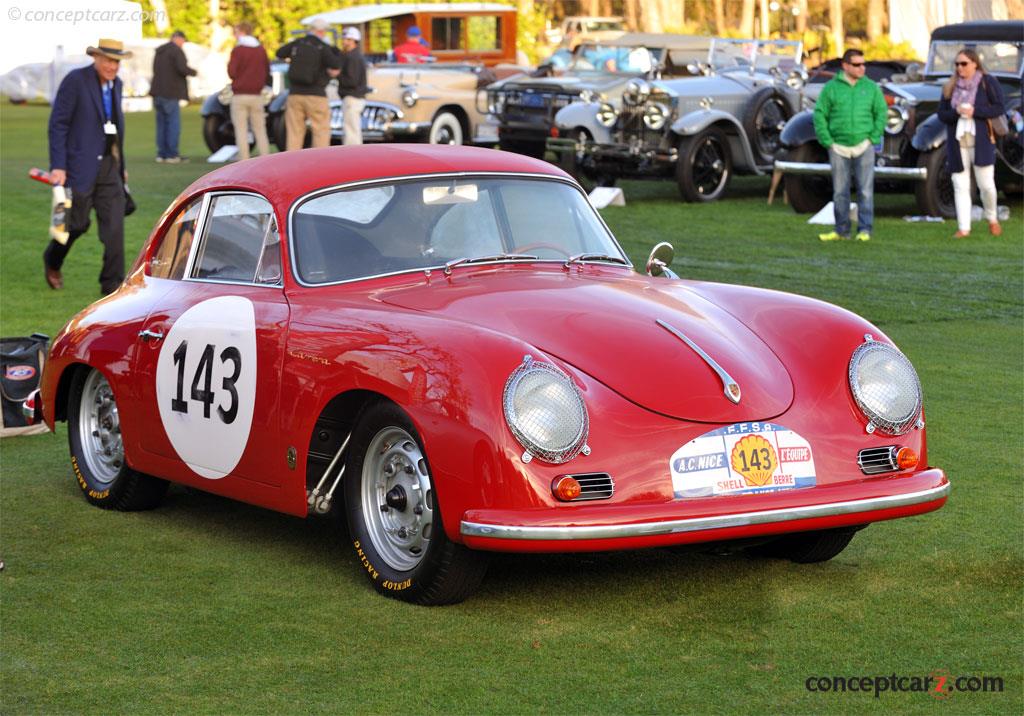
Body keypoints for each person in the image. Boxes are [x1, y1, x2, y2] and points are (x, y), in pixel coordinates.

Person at [45, 38, 130, 294]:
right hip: (78, 167)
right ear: (96, 58)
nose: (112, 66)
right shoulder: (75, 81)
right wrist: (58, 165)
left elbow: (114, 128)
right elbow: (58, 124)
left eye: (116, 61)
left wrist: (120, 164)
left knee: (115, 229)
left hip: (109, 168)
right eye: (108, 60)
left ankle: (112, 287)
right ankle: (52, 259)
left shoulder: (117, 85)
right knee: (75, 224)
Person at [812, 48, 887, 242]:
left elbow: (881, 113)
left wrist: (872, 138)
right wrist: (827, 141)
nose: (862, 68)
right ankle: (841, 231)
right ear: (845, 66)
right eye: (857, 64)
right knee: (840, 191)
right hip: (838, 147)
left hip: (864, 146)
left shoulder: (871, 87)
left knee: (865, 190)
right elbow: (819, 113)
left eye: (863, 64)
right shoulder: (831, 88)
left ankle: (865, 230)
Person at [936, 48, 1006, 238]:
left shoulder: (987, 82)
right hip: (957, 142)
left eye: (964, 63)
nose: (960, 68)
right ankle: (964, 227)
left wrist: (974, 112)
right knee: (959, 185)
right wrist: (956, 112)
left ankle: (992, 218)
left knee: (986, 185)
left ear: (975, 63)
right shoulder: (950, 86)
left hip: (981, 140)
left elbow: (999, 107)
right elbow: (941, 114)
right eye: (957, 64)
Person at [276, 18, 342, 151]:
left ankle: (293, 162)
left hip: (295, 94)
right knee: (321, 130)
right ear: (321, 31)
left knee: (294, 131)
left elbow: (280, 53)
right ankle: (320, 163)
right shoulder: (322, 46)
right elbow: (336, 63)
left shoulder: (298, 43)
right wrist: (332, 47)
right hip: (316, 95)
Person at [150, 30, 196, 163]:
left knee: (161, 125)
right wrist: (194, 72)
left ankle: (162, 154)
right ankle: (171, 154)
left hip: (157, 92)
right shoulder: (176, 51)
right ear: (178, 38)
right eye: (183, 41)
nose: (183, 44)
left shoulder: (159, 51)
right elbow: (182, 68)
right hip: (170, 93)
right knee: (173, 125)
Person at [228, 22, 271, 160]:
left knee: (241, 130)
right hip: (257, 95)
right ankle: (265, 157)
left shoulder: (238, 50)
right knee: (260, 129)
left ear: (241, 31)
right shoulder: (260, 50)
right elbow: (267, 70)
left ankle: (244, 158)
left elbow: (232, 72)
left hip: (240, 95)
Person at [338, 27, 368, 146]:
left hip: (352, 97)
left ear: (353, 41)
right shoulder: (354, 56)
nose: (344, 42)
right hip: (354, 97)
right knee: (351, 129)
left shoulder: (352, 57)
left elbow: (352, 81)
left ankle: (353, 159)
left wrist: (337, 75)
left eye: (348, 39)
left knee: (351, 132)